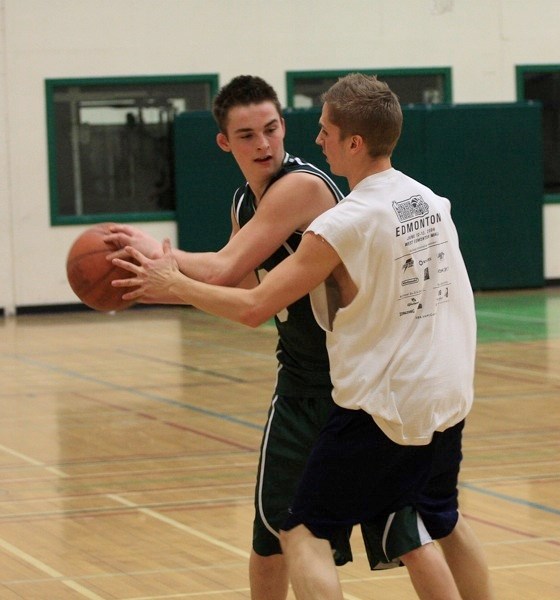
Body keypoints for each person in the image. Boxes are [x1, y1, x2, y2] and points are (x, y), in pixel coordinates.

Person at [112, 73, 494, 600]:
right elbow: (240, 276)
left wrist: (167, 272)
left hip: (358, 391)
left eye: (322, 129)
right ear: (225, 141)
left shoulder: (325, 206)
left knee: (301, 529)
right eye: (248, 134)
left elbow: (244, 297)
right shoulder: (426, 198)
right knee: (433, 519)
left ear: (352, 142)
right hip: (440, 388)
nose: (312, 138)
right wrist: (164, 281)